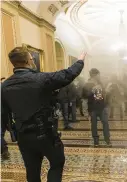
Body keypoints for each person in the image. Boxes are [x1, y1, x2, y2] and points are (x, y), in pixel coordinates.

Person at [1, 46, 86, 182]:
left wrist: (11, 132)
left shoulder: (4, 86)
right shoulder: (41, 79)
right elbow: (67, 74)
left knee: (32, 171)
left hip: (23, 136)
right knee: (57, 163)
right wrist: (80, 60)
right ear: (29, 60)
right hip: (45, 133)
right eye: (31, 58)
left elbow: (3, 114)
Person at [83, 68, 111, 147]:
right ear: (95, 75)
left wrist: (106, 91)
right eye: (98, 75)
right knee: (94, 125)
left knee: (105, 123)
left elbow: (103, 94)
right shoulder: (87, 84)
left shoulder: (100, 83)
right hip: (93, 108)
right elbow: (84, 97)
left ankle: (107, 139)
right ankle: (96, 140)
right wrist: (92, 91)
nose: (100, 76)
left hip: (102, 107)